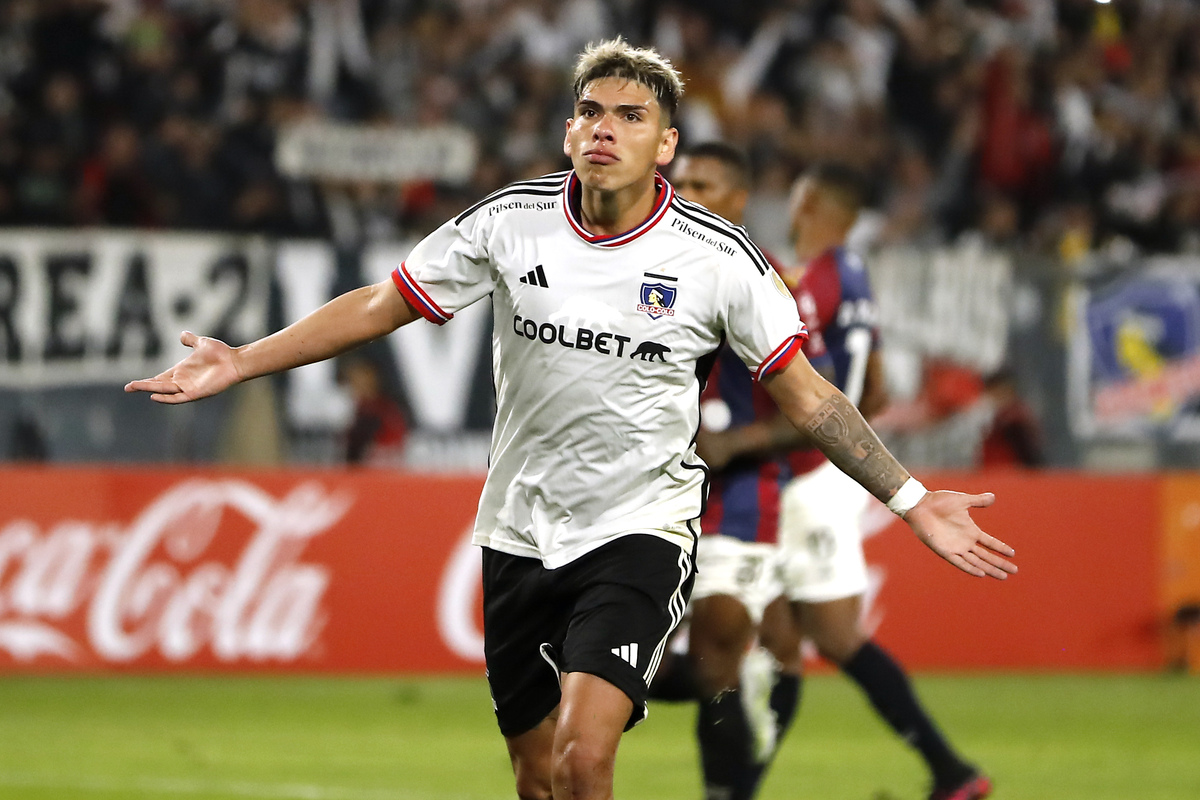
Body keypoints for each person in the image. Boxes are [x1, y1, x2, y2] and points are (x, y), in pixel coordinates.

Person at [126, 39, 1016, 800]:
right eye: (590, 111)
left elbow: (811, 395)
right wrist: (242, 359)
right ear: (567, 131)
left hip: (638, 529)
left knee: (585, 761)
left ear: (665, 145)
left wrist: (910, 498)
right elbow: (377, 305)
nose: (604, 127)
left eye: (630, 116)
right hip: (517, 531)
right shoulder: (513, 224)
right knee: (537, 777)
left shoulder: (718, 260)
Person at [696, 161, 995, 800]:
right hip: (827, 469)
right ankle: (949, 771)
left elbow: (813, 393)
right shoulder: (852, 276)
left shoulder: (800, 282)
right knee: (783, 639)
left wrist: (744, 439)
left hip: (801, 477)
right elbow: (875, 389)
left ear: (804, 201)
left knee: (805, 639)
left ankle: (949, 771)